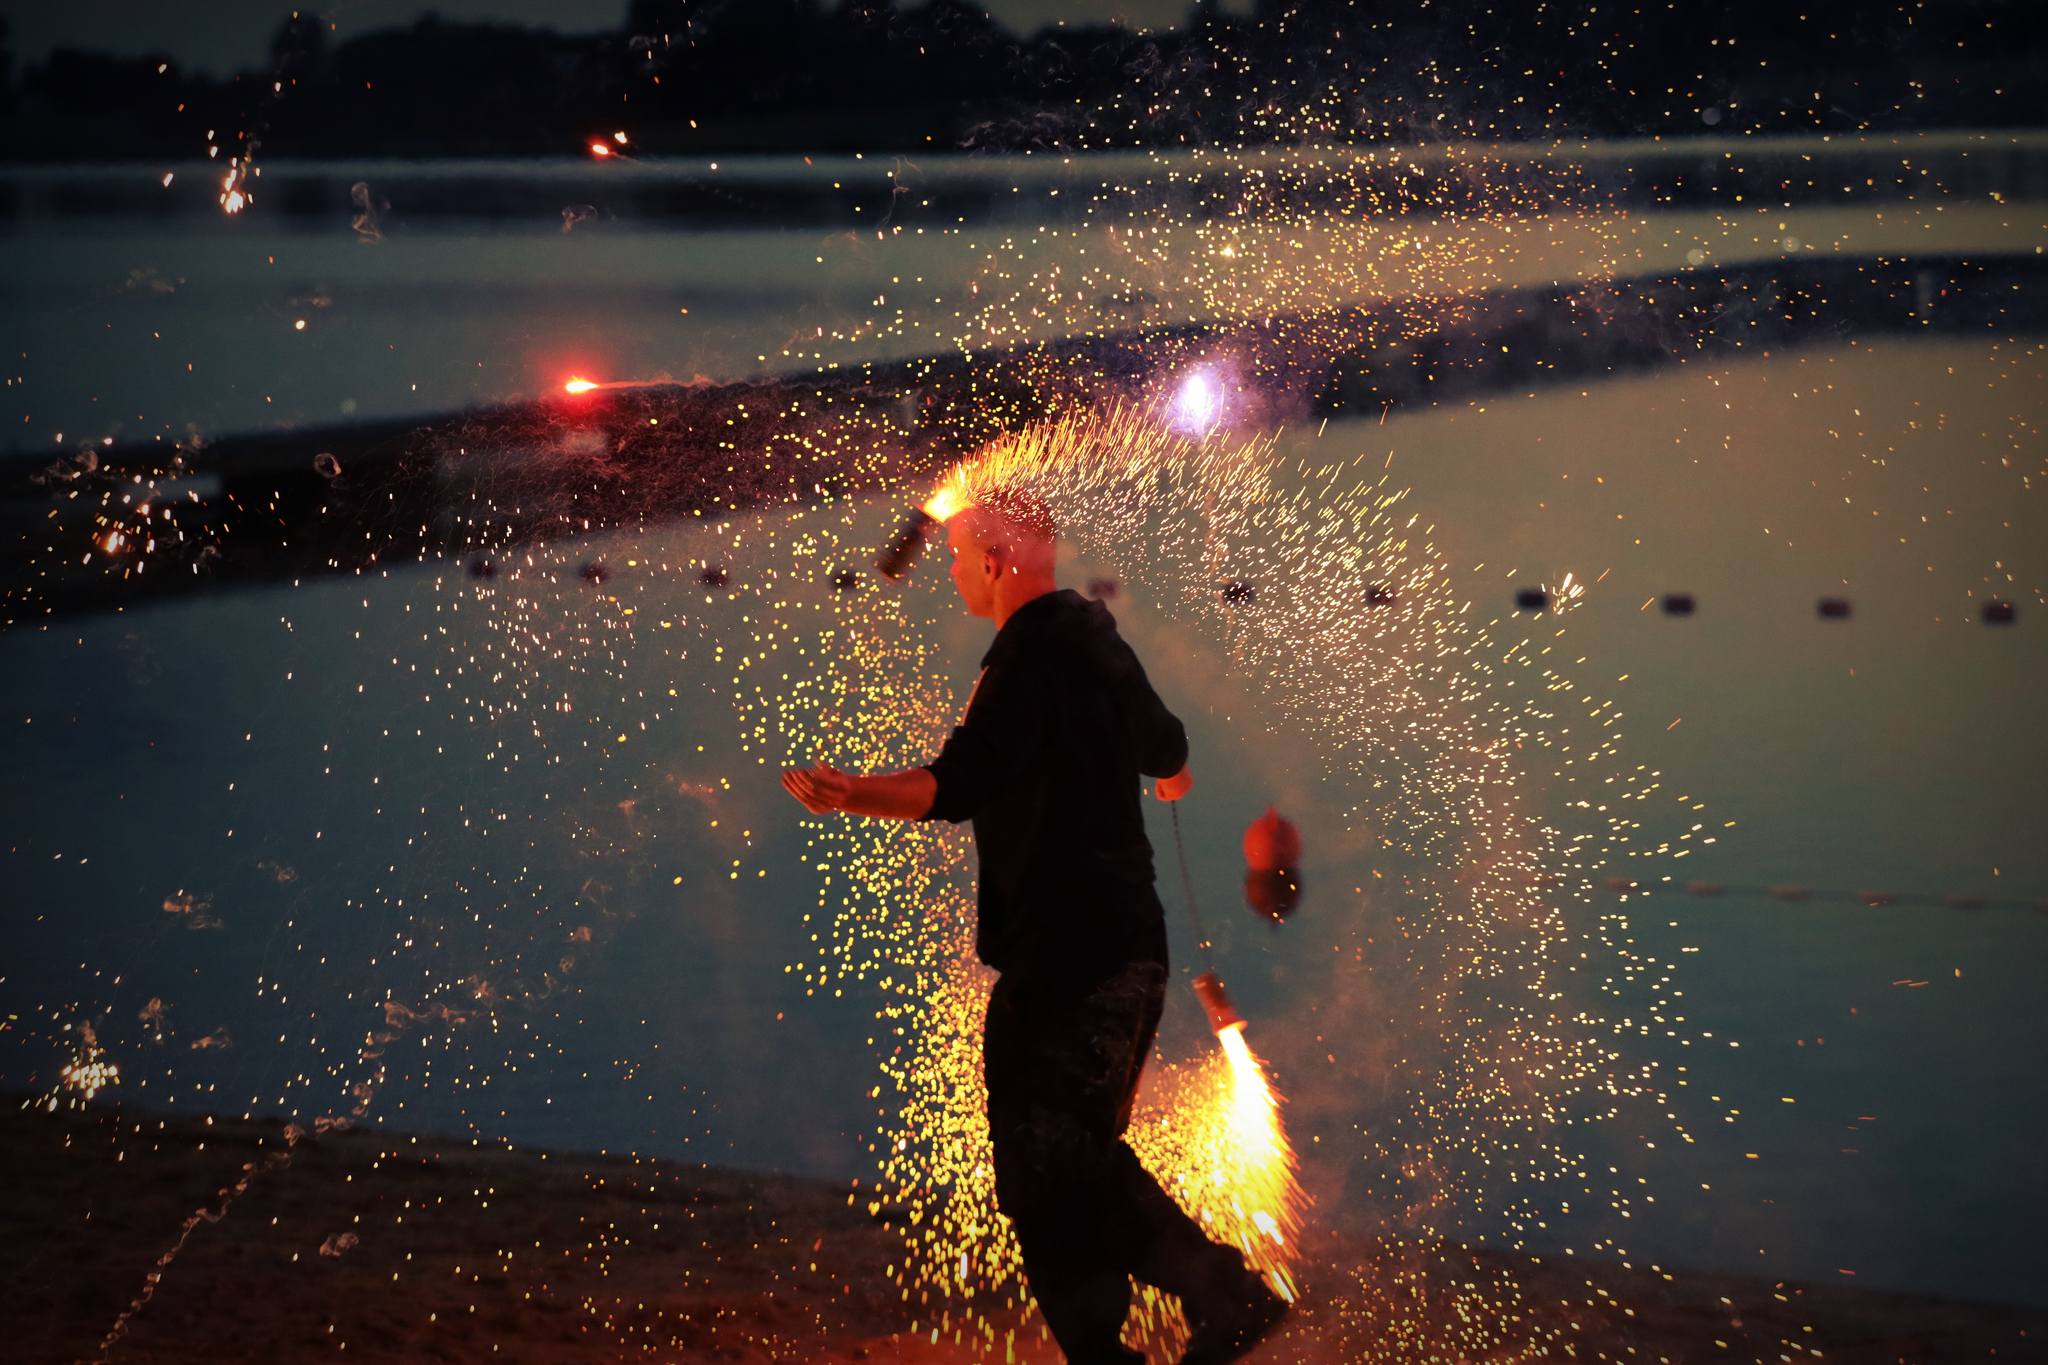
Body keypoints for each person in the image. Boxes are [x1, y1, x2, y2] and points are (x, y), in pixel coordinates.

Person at [781, 487, 1289, 1365]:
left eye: (957, 555)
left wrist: (852, 791)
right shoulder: (1096, 643)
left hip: (1073, 955)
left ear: (996, 560)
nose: (949, 569)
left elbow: (957, 782)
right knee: (1050, 1159)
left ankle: (1223, 1293)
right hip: (1125, 948)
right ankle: (1111, 1344)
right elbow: (1166, 746)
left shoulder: (1026, 660)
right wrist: (1164, 771)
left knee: (1049, 1156)